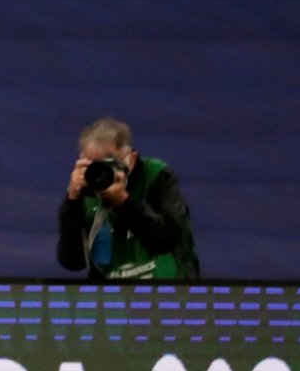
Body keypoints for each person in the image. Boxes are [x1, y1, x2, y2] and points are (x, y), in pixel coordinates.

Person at [57, 118, 200, 280]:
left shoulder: (156, 175)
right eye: (93, 165)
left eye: (109, 162)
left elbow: (168, 240)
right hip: (112, 297)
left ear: (131, 159)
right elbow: (72, 262)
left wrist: (123, 202)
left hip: (166, 291)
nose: (102, 172)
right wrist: (72, 201)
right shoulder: (86, 188)